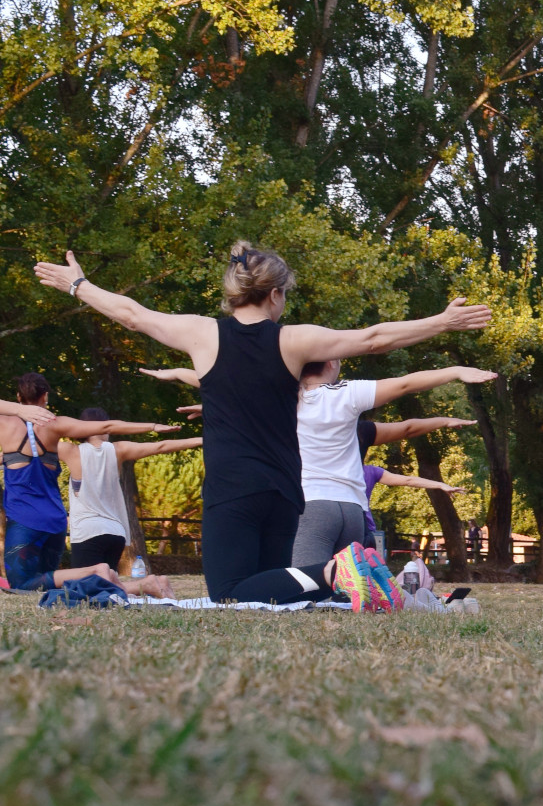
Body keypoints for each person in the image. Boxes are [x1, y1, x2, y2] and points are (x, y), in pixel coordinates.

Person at [35, 243, 490, 604]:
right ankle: (355, 579)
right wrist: (442, 322)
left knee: (230, 592)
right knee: (275, 591)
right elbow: (373, 339)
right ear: (274, 294)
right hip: (285, 491)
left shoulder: (202, 333)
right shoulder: (294, 340)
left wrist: (80, 285)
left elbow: (132, 315)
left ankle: (338, 571)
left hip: (235, 488)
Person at [290, 361, 495, 567]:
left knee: (305, 584)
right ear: (331, 362)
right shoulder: (347, 395)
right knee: (347, 590)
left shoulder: (282, 399)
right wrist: (455, 371)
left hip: (312, 504)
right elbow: (405, 393)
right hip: (352, 509)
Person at [0, 373, 177, 591]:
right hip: (55, 521)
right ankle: (144, 585)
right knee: (49, 582)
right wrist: (152, 426)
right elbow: (105, 426)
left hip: (24, 519)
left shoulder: (5, 424)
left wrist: (17, 410)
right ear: (45, 396)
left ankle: (94, 571)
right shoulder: (56, 424)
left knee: (21, 584)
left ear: (18, 396)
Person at [59, 407, 203, 574]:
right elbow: (161, 446)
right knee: (108, 587)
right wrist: (201, 439)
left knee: (86, 589)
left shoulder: (71, 451)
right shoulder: (119, 449)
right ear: (107, 427)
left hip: (87, 531)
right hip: (115, 532)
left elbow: (38, 438)